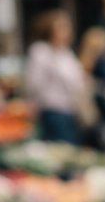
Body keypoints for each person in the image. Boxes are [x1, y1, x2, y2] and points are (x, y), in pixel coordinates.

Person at [25, 9, 87, 144]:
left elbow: (78, 81)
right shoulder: (41, 51)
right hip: (52, 111)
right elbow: (34, 83)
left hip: (70, 111)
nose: (67, 32)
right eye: (62, 28)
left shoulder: (66, 53)